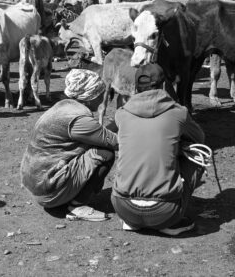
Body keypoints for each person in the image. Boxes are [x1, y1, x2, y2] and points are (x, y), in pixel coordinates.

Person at [111, 64, 205, 236]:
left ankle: (133, 222)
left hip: (123, 208)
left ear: (136, 87)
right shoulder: (179, 113)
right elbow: (199, 139)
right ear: (163, 86)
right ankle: (171, 222)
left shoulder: (121, 114)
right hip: (164, 212)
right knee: (198, 155)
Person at [20, 69, 118, 221]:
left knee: (94, 148)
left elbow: (100, 133)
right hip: (48, 191)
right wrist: (126, 116)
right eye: (101, 93)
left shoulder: (63, 107)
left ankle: (68, 195)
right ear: (90, 96)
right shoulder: (78, 120)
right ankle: (77, 207)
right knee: (105, 153)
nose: (103, 99)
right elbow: (115, 141)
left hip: (37, 183)